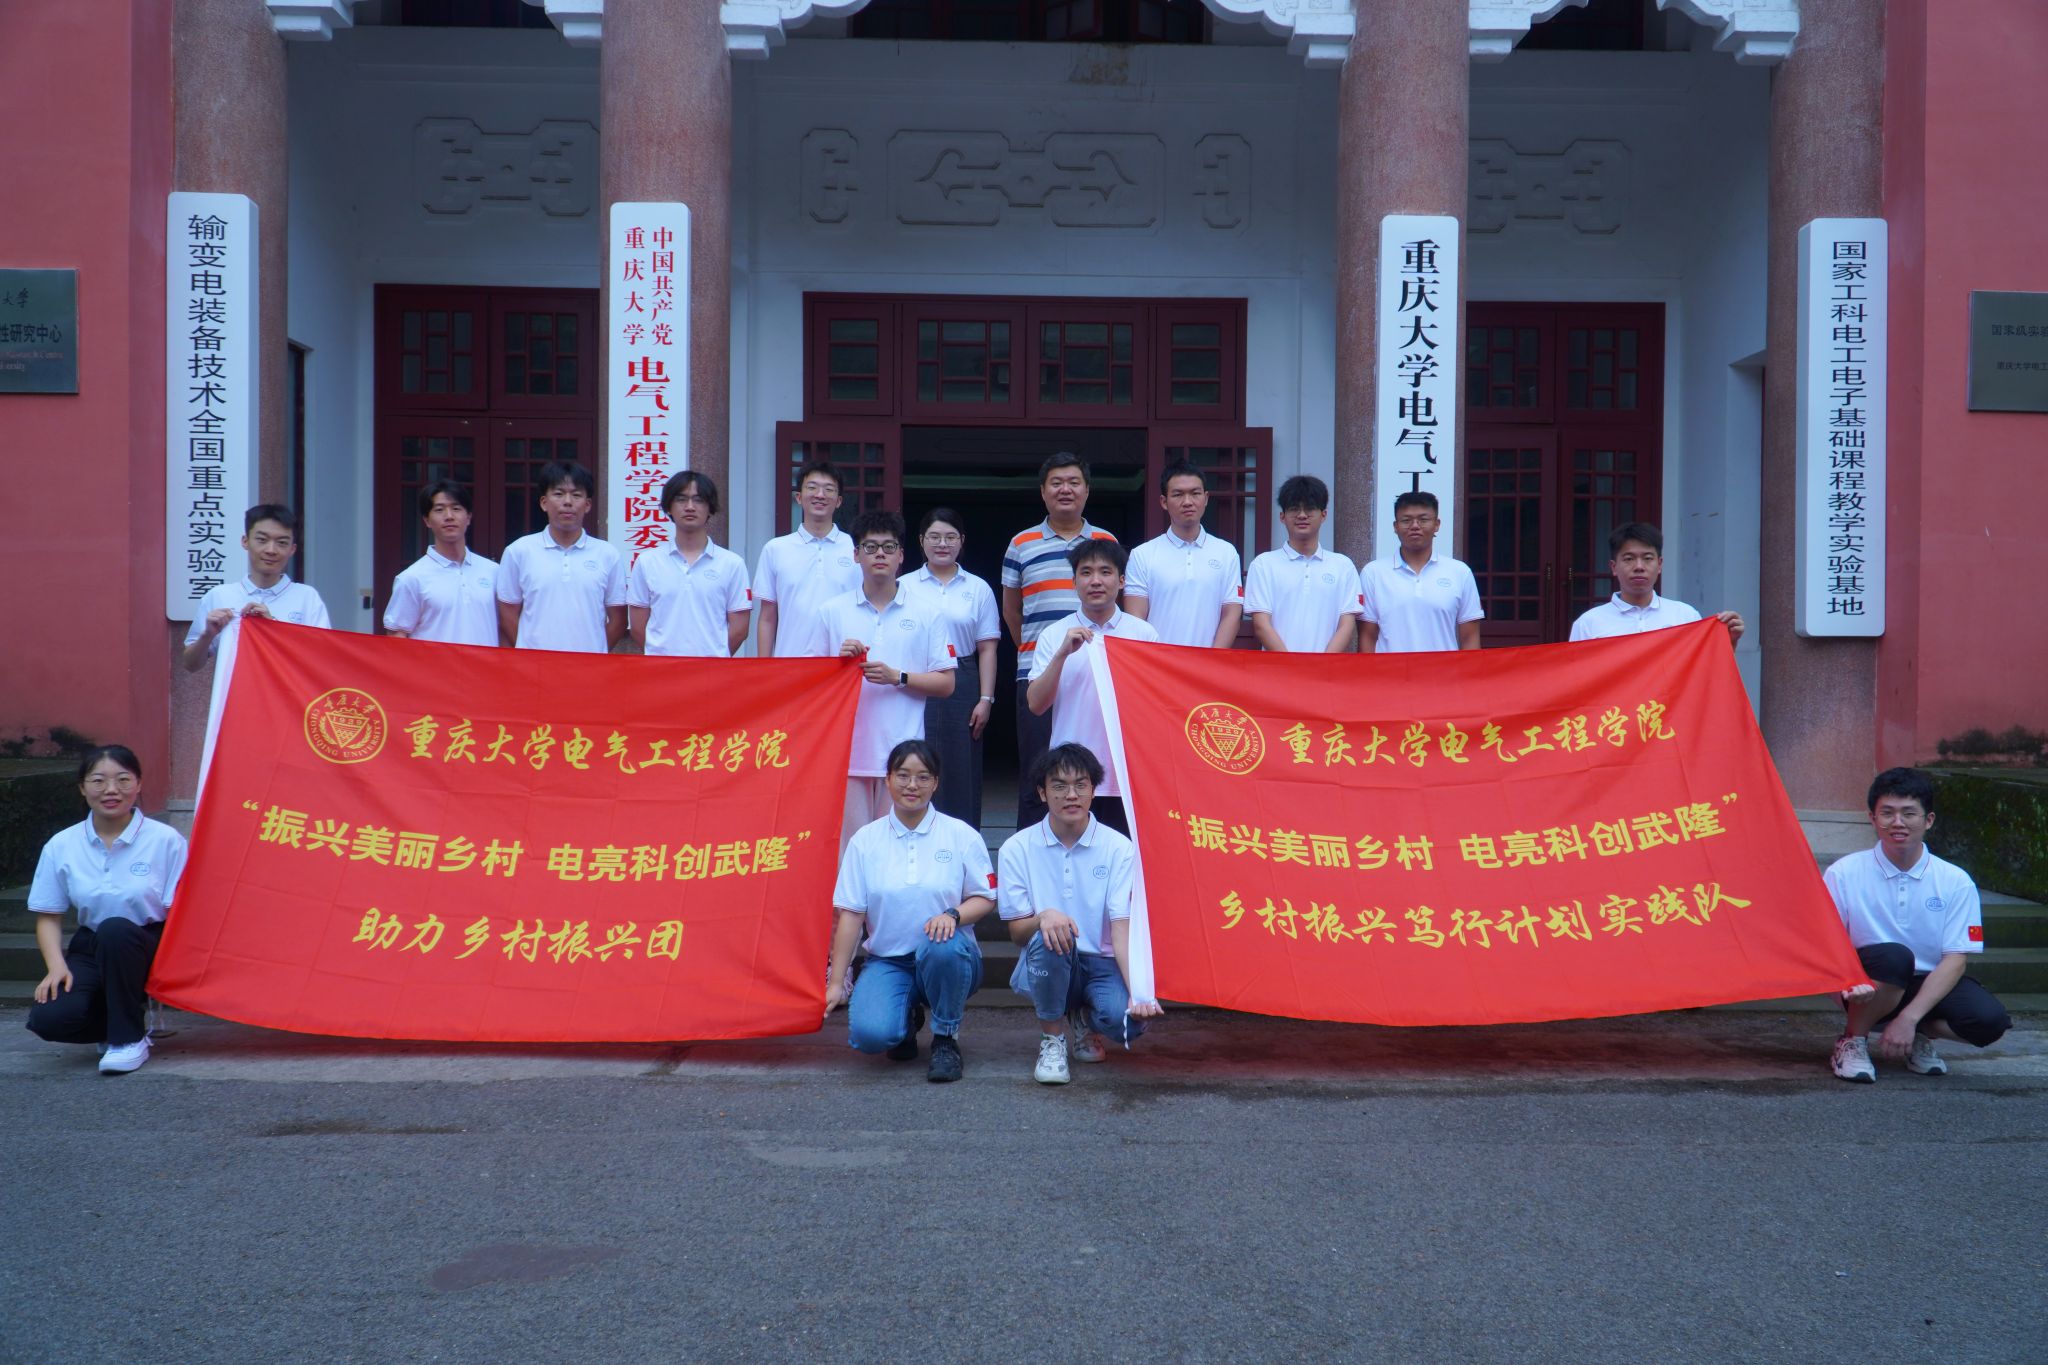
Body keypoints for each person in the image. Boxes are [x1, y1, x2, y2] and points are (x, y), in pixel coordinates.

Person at [824, 740, 996, 1083]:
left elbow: (985, 897)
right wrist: (835, 983)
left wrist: (953, 915)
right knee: (871, 1036)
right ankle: (906, 1018)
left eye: (922, 777)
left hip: (950, 956)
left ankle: (946, 1038)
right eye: (902, 775)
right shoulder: (865, 841)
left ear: (936, 782)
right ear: (887, 780)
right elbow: (851, 915)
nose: (912, 785)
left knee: (943, 948)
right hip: (889, 961)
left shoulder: (960, 835)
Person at [1825, 768, 2012, 1083]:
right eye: (1887, 813)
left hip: (1926, 983)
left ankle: (1914, 1032)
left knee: (1989, 1021)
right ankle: (1853, 1040)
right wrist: (1847, 979)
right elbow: (1828, 942)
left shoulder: (1955, 881)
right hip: (1865, 982)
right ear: (1872, 818)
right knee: (1894, 957)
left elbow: (1956, 958)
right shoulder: (1843, 873)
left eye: (1909, 813)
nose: (1898, 822)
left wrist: (1909, 1019)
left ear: (1929, 820)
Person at [999, 743, 1163, 1085]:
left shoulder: (1118, 848)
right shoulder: (1017, 848)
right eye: (1059, 786)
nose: (1071, 795)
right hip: (1049, 957)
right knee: (1051, 936)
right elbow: (1016, 933)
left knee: (1130, 1022)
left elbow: (1121, 927)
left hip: (1102, 962)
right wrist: (1043, 917)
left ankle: (1085, 1021)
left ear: (1093, 790)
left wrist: (1139, 992)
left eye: (1081, 785)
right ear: (1042, 793)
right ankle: (1053, 1040)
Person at [25, 746, 188, 1075]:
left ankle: (128, 1040)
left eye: (123, 780)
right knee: (49, 1019)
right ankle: (117, 1024)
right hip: (93, 943)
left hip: (150, 943)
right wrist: (56, 967)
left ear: (138, 784)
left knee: (116, 930)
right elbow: (48, 915)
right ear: (82, 787)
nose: (111, 790)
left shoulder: (165, 840)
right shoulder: (62, 844)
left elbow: (180, 912)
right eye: (98, 781)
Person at [808, 509, 958, 850]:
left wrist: (897, 677)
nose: (880, 554)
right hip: (847, 754)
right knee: (850, 850)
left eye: (889, 547)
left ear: (901, 555)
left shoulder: (927, 613)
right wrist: (838, 665)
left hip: (904, 757)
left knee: (900, 848)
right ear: (855, 555)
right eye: (870, 547)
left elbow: (947, 683)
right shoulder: (832, 611)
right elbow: (812, 683)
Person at [1001, 453, 1118, 828]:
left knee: (1093, 773)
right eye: (1056, 483)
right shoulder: (1021, 543)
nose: (1065, 489)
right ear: (1043, 491)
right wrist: (1043, 652)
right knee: (1038, 771)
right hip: (1038, 673)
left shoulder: (1105, 540)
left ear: (1087, 490)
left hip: (1096, 675)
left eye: (1073, 482)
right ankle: (1034, 850)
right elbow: (1012, 611)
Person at [1023, 539, 1158, 835]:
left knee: (1124, 855)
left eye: (1105, 572)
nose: (1095, 581)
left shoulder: (1143, 634)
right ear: (1074, 582)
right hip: (1071, 775)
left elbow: (1157, 705)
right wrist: (1062, 654)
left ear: (1121, 581)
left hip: (1127, 772)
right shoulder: (1054, 634)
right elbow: (1036, 704)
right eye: (1086, 572)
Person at [899, 508, 1000, 828]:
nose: (942, 544)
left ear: (962, 541)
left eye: (950, 537)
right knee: (915, 755)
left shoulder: (978, 588)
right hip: (916, 677)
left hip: (963, 676)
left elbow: (987, 649)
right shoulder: (903, 585)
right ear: (921, 541)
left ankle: (962, 839)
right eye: (934, 537)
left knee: (960, 764)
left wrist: (986, 699)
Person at [180, 503, 331, 671]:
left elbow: (322, 661)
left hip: (286, 689)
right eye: (262, 540)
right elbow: (190, 665)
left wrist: (274, 627)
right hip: (234, 689)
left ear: (292, 549)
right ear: (245, 541)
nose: (271, 550)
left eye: (282, 542)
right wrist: (207, 635)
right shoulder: (219, 595)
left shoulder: (307, 598)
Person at [494, 461, 626, 653]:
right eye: (558, 494)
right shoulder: (519, 551)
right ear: (543, 503)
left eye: (576, 495)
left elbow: (619, 619)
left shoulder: (607, 554)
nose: (567, 502)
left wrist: (595, 653)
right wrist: (529, 652)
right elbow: (507, 613)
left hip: (588, 665)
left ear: (587, 505)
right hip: (535, 665)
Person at [626, 470, 752, 657]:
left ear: (710, 508)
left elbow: (740, 629)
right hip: (660, 668)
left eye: (699, 500)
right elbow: (637, 628)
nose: (690, 507)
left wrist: (714, 657)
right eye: (681, 499)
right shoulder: (647, 562)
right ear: (668, 507)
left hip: (712, 669)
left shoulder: (732, 564)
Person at [1123, 459, 1243, 648]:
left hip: (1208, 660)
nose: (1187, 502)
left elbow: (1232, 613)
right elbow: (1135, 619)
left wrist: (1214, 658)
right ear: (1164, 502)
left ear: (1206, 498)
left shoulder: (1226, 553)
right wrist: (1152, 660)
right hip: (1157, 661)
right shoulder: (1142, 555)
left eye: (1195, 493)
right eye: (1178, 494)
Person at [1243, 474, 1363, 653]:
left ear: (1323, 515)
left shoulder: (1343, 566)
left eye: (1310, 509)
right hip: (1278, 667)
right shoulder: (1263, 565)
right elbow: (1261, 625)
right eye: (1294, 509)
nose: (1301, 515)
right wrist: (1293, 665)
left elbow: (1346, 625)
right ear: (1282, 516)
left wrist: (1321, 664)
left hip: (1326, 667)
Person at [1568, 522, 1745, 643]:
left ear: (1659, 565)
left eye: (1647, 558)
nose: (1639, 567)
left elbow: (1705, 671)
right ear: (1614, 567)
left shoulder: (1685, 617)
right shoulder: (1588, 624)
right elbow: (1578, 679)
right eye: (1629, 559)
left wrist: (1728, 642)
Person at [755, 460, 860, 658]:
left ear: (839, 501)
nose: (820, 495)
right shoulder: (775, 549)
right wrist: (764, 667)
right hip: (790, 663)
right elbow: (767, 618)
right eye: (812, 488)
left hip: (843, 665)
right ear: (799, 497)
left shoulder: (856, 549)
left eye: (829, 489)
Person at [1358, 491, 1482, 653]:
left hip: (1443, 669)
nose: (1415, 526)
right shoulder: (1374, 573)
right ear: (1395, 526)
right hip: (1390, 669)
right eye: (1406, 520)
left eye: (1423, 520)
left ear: (1437, 524)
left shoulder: (1460, 572)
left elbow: (1470, 638)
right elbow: (1367, 637)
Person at [383, 480, 500, 646]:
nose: (449, 516)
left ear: (468, 517)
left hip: (485, 663)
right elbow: (397, 635)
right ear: (427, 520)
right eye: (439, 510)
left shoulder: (494, 572)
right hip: (434, 664)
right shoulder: (412, 578)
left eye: (456, 508)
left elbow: (506, 626)